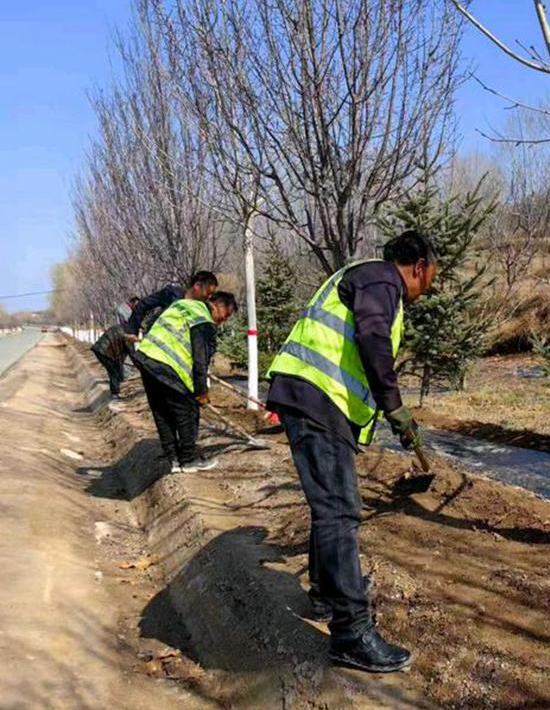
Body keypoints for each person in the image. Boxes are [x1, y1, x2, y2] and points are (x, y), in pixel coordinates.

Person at [266, 230, 436, 674]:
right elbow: (373, 339)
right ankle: (351, 634)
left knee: (330, 508)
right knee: (340, 511)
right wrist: (395, 408)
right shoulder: (382, 279)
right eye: (432, 275)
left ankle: (326, 594)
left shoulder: (366, 277)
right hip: (317, 398)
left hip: (315, 399)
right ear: (419, 267)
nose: (429, 285)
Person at [135, 291, 238, 473]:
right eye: (226, 314)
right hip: (167, 365)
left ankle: (173, 459)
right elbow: (200, 361)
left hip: (146, 358)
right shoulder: (203, 320)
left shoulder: (182, 304)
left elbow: (154, 325)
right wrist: (201, 392)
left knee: (161, 411)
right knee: (186, 411)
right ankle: (189, 459)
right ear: (215, 304)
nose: (224, 320)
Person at [124, 271, 219, 338]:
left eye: (211, 295)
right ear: (197, 285)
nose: (209, 297)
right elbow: (143, 304)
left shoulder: (202, 311)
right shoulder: (172, 293)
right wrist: (133, 331)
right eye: (208, 293)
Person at [91, 297, 140, 398]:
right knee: (113, 370)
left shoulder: (123, 328)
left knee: (116, 368)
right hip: (103, 351)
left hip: (102, 349)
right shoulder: (128, 334)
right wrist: (139, 364)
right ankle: (115, 393)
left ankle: (117, 388)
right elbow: (131, 352)